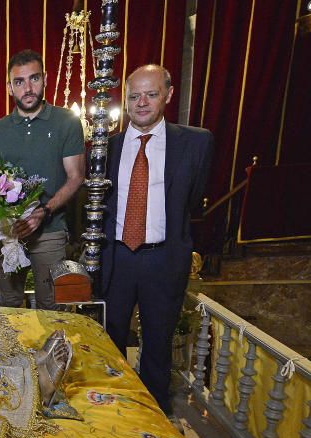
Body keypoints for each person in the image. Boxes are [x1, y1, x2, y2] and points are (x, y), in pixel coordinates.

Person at [102, 64, 213, 415]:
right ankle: (113, 408)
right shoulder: (107, 147)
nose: (142, 103)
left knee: (158, 339)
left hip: (164, 257)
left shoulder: (195, 142)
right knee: (110, 336)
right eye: (134, 96)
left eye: (151, 94)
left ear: (167, 94)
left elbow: (193, 198)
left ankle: (152, 412)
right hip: (116, 257)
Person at [0, 49, 85, 310]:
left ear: (46, 79)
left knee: (51, 307)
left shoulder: (67, 122)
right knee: (10, 304)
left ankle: (51, 352)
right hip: (9, 234)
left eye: (34, 78)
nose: (27, 88)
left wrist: (44, 211)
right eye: (19, 82)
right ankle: (16, 353)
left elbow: (75, 177)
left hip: (50, 232)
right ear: (9, 87)